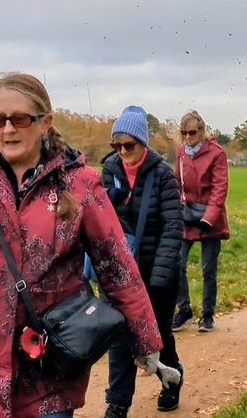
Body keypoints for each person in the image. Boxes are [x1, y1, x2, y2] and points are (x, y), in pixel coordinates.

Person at [0, 74, 171, 418]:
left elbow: (117, 269)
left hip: (47, 371)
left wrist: (145, 342)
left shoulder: (80, 184)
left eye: (20, 119)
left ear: (45, 122)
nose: (8, 129)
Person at [100, 106, 187, 415]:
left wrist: (160, 277)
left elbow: (173, 226)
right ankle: (117, 404)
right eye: (117, 146)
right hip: (120, 273)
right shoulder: (110, 170)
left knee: (158, 336)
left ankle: (172, 380)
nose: (123, 152)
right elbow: (101, 220)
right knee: (119, 339)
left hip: (155, 272)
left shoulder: (163, 175)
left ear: (143, 143)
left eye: (129, 145)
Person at [171, 111, 229, 335]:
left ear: (202, 131)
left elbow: (219, 188)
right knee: (177, 262)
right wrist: (175, 209)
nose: (188, 137)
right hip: (187, 215)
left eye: (192, 132)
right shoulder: (181, 153)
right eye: (184, 132)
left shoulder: (217, 153)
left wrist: (210, 217)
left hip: (209, 217)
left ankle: (207, 314)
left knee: (208, 269)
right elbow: (177, 183)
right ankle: (184, 309)